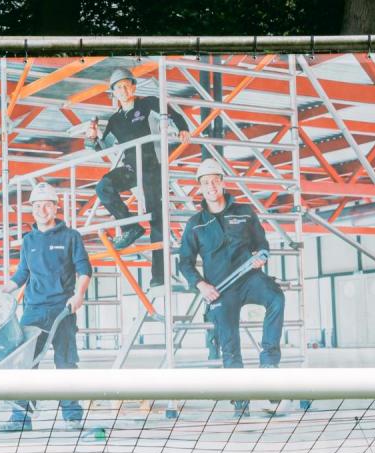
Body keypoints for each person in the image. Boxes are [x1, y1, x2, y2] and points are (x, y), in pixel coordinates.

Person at [175, 164, 284, 415]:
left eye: (215, 180)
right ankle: (240, 400)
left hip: (249, 278)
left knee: (276, 298)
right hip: (220, 290)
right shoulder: (196, 224)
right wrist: (201, 285)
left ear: (222, 182)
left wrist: (261, 256)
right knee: (229, 343)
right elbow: (185, 262)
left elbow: (262, 243)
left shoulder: (244, 212)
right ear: (200, 188)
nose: (211, 186)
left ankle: (269, 363)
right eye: (205, 182)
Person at [0, 184, 91, 435]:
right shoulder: (28, 240)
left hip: (63, 309)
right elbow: (23, 272)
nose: (42, 210)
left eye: (47, 205)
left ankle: (72, 416)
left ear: (56, 207)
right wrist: (7, 289)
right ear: (32, 209)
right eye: (37, 206)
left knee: (66, 362)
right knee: (25, 363)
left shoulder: (70, 236)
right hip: (33, 310)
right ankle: (21, 418)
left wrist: (79, 294)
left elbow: (84, 269)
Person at [82, 69, 187, 280]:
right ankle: (130, 227)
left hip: (153, 166)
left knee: (157, 219)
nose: (122, 90)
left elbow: (173, 115)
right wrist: (92, 139)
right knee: (103, 187)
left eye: (125, 85)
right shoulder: (115, 120)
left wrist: (183, 128)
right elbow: (104, 148)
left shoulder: (148, 104)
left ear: (133, 87)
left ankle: (159, 276)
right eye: (118, 88)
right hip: (131, 168)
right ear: (113, 93)